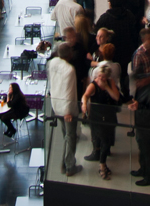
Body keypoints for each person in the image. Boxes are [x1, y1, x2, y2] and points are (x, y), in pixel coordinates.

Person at [82, 60, 121, 178]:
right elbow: (85, 96)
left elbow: (116, 97)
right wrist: (84, 104)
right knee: (103, 140)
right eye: (99, 76)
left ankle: (103, 159)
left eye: (103, 77)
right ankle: (102, 165)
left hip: (109, 116)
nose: (101, 79)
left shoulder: (110, 82)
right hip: (97, 117)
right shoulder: (93, 85)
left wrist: (107, 87)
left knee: (107, 140)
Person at [48, 43, 82, 175]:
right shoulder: (69, 70)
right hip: (67, 110)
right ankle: (69, 166)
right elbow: (68, 92)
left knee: (66, 137)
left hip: (56, 106)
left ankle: (64, 162)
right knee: (71, 137)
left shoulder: (52, 63)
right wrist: (68, 112)